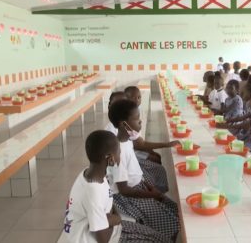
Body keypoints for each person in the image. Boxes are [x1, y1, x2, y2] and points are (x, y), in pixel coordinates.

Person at [62, 130, 170, 243]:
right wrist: (115, 219)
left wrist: (112, 219)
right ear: (111, 159)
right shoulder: (93, 191)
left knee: (159, 238)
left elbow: (108, 203)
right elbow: (103, 240)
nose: (120, 155)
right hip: (95, 238)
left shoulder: (94, 173)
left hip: (110, 228)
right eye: (119, 152)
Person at [107, 99, 179, 241]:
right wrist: (150, 195)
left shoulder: (127, 140)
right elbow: (124, 190)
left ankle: (169, 236)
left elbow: (134, 172)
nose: (140, 122)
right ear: (124, 124)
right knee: (172, 222)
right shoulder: (117, 152)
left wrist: (148, 188)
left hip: (139, 187)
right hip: (129, 198)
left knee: (174, 209)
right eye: (136, 119)